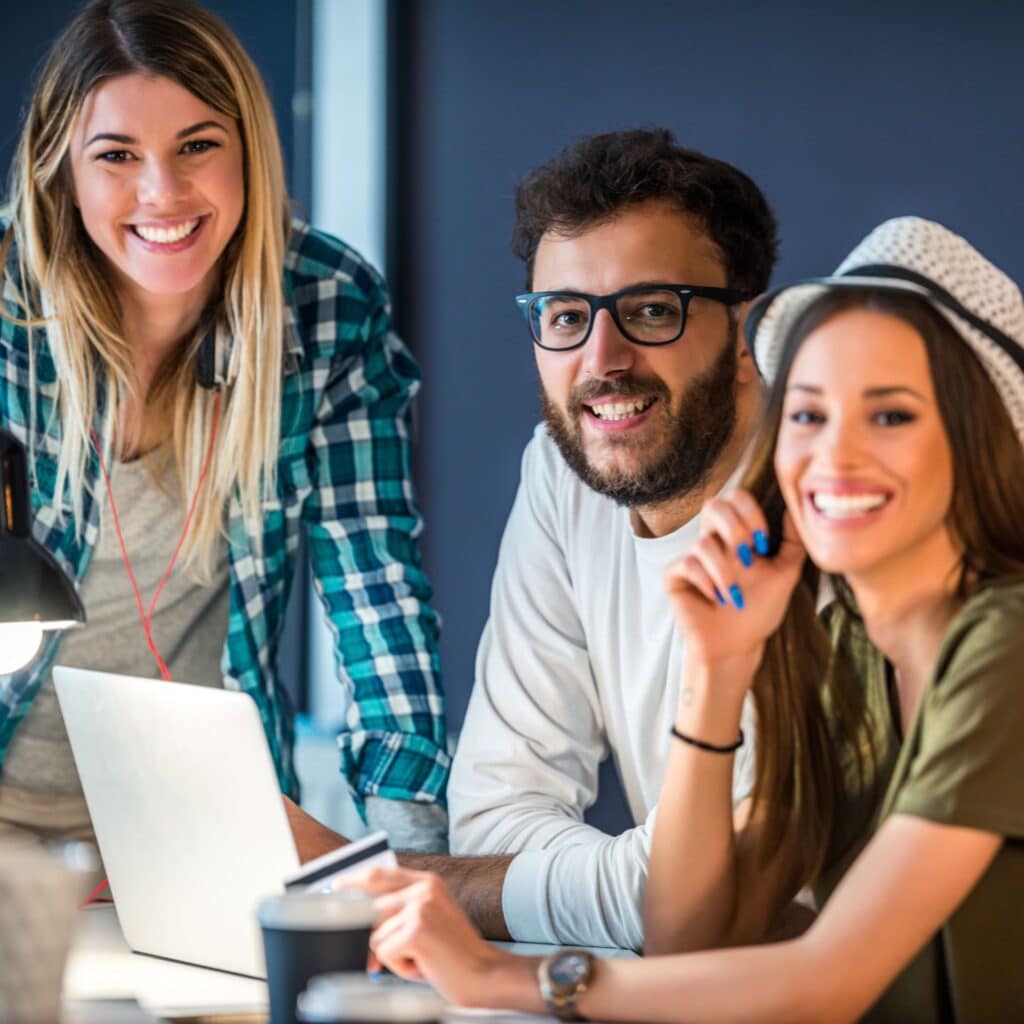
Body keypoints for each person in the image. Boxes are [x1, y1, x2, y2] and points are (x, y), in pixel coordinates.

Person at [346, 216, 1024, 1022]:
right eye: (808, 414)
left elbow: (829, 978)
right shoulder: (843, 648)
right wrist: (719, 666)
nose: (833, 456)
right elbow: (690, 937)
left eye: (891, 416)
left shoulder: (1004, 643)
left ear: (980, 436)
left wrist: (498, 977)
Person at [293, 129, 777, 947]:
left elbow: (716, 898)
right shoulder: (566, 474)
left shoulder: (832, 507)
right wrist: (592, 886)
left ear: (745, 332)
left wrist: (389, 879)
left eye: (652, 311)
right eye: (565, 316)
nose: (603, 359)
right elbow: (498, 819)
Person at [0, 0, 448, 854]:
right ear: (62, 170)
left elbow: (375, 582)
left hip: (198, 828)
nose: (163, 192)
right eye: (117, 156)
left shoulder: (325, 307)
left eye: (197, 146)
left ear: (249, 149)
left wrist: (417, 847)